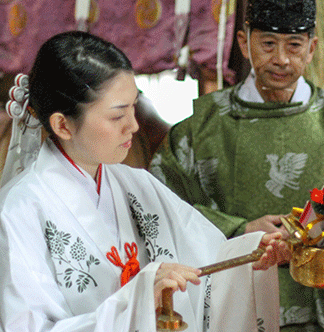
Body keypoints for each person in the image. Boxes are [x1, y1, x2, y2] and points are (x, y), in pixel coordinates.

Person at [149, 0, 324, 330]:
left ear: (312, 49)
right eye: (267, 44)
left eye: (294, 45)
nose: (281, 59)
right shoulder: (198, 132)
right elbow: (159, 209)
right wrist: (239, 230)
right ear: (244, 44)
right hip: (234, 304)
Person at [0, 31, 290, 332]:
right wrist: (136, 303)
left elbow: (204, 255)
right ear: (63, 124)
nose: (134, 126)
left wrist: (251, 252)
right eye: (117, 116)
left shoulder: (137, 184)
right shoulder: (18, 211)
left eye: (134, 107)